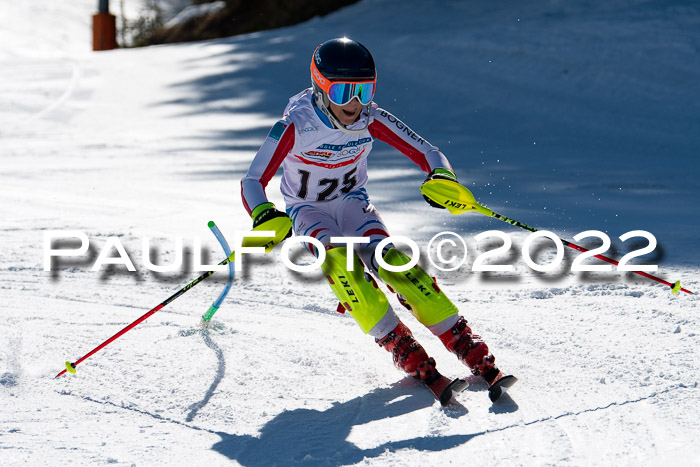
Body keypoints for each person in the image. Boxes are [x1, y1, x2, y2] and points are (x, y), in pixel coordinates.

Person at [241, 37, 513, 403]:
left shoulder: (370, 118)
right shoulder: (296, 123)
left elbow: (428, 152)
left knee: (397, 266)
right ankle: (401, 344)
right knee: (343, 268)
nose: (354, 103)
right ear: (321, 90)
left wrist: (441, 177)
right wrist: (263, 213)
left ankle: (464, 342)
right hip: (309, 211)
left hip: (353, 205)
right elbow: (252, 181)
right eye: (342, 92)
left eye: (364, 90)